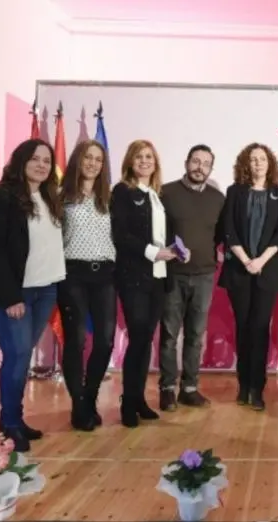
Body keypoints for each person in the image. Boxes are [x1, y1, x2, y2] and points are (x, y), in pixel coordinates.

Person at [0, 138, 65, 451]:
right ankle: (11, 423)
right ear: (21, 161)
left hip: (45, 289)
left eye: (46, 160)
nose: (41, 165)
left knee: (22, 356)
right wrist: (11, 297)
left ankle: (12, 419)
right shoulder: (3, 196)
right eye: (35, 159)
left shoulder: (50, 197)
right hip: (12, 294)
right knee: (17, 355)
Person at [111, 139, 178, 428]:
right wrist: (152, 252)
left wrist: (176, 250)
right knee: (138, 337)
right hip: (134, 276)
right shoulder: (122, 191)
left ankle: (138, 399)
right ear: (130, 161)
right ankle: (128, 401)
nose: (144, 161)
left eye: (149, 156)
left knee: (146, 338)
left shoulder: (158, 195)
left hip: (159, 276)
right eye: (139, 156)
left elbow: (163, 235)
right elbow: (120, 234)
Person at [218, 143, 278, 411]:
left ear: (270, 164)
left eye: (262, 159)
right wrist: (246, 259)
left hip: (267, 271)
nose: (258, 163)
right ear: (245, 164)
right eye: (253, 159)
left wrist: (260, 261)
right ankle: (244, 385)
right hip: (239, 270)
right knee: (243, 327)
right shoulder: (235, 192)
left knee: (260, 328)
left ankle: (257, 388)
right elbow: (229, 230)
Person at [158, 145, 225, 411]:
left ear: (211, 169)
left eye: (206, 164)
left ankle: (189, 388)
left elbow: (219, 235)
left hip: (204, 275)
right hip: (173, 274)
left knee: (196, 335)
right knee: (169, 335)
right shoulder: (166, 193)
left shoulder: (218, 199)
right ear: (186, 163)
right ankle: (166, 389)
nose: (200, 167)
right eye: (196, 161)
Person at [57, 139, 117, 431]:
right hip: (73, 274)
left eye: (98, 159)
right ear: (78, 160)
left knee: (105, 340)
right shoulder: (61, 197)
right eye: (88, 157)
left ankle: (89, 398)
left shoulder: (110, 198)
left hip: (105, 274)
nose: (93, 163)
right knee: (77, 340)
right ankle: (79, 405)